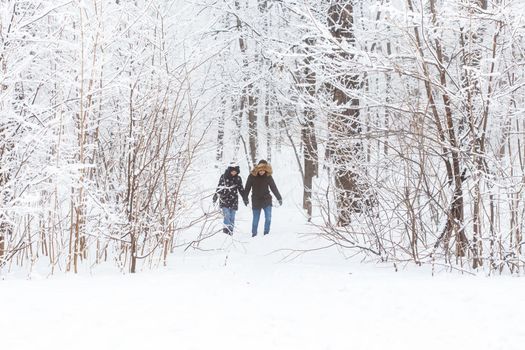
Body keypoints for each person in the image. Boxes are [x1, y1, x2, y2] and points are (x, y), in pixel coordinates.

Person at [243, 160, 282, 237]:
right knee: (255, 219)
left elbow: (273, 187)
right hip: (256, 200)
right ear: (257, 169)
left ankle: (266, 233)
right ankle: (254, 234)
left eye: (263, 170)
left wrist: (279, 197)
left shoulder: (268, 176)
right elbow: (247, 188)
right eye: (260, 170)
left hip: (266, 200)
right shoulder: (252, 176)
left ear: (266, 169)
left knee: (268, 218)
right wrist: (245, 198)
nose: (261, 172)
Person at [213, 163, 247, 235]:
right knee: (227, 215)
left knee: (232, 217)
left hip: (234, 200)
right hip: (224, 199)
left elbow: (241, 189)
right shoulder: (224, 177)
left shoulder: (238, 178)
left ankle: (230, 232)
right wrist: (215, 196)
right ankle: (226, 231)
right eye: (233, 171)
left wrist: (245, 198)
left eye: (235, 172)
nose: (234, 173)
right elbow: (219, 187)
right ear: (229, 170)